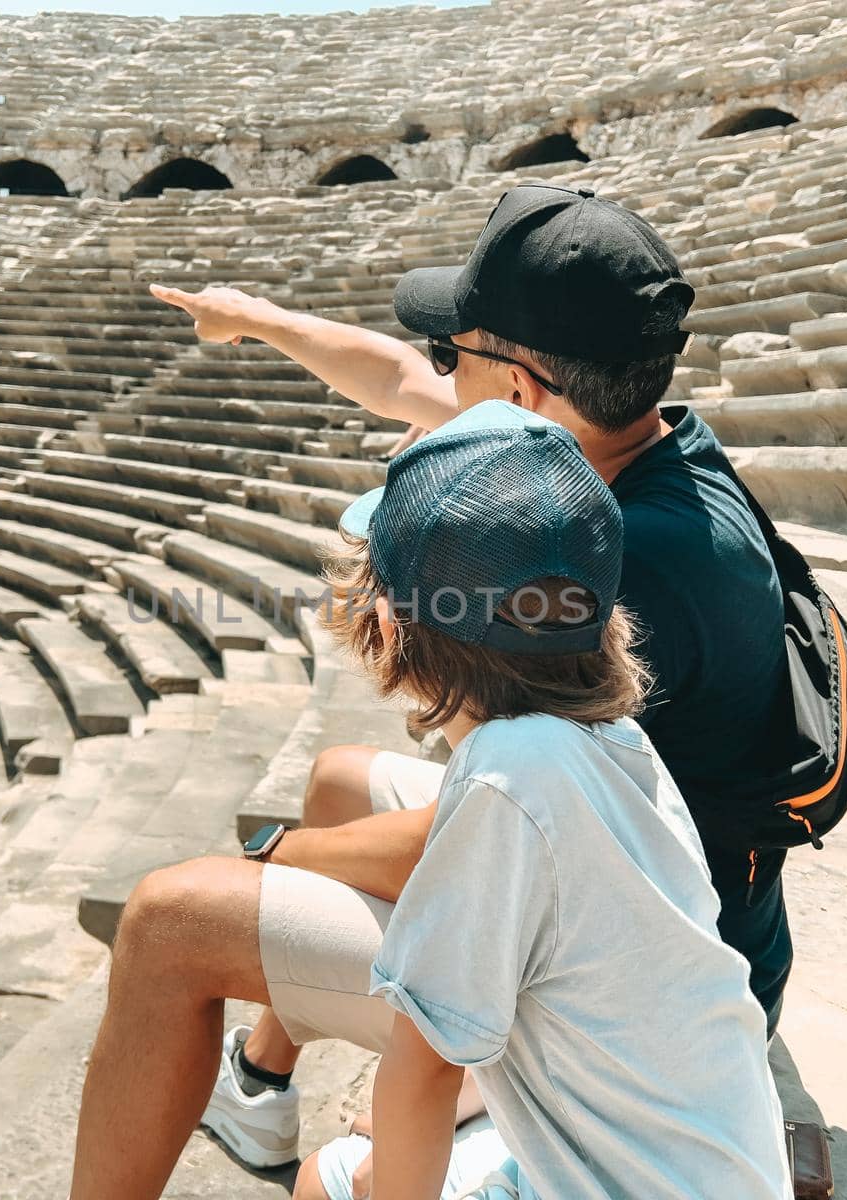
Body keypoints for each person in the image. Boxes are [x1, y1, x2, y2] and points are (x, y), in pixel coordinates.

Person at [67, 184, 791, 1195]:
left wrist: (284, 854)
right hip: (637, 915)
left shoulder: (643, 568)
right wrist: (257, 320)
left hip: (607, 956)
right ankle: (261, 1078)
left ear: (528, 394)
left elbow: (501, 829)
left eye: (462, 357)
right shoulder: (606, 466)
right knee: (338, 777)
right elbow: (401, 381)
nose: (438, 375)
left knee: (170, 918)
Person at [292, 401, 790, 1199]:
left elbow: (420, 1075)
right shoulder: (613, 739)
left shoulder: (507, 774)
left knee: (326, 1183)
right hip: (711, 1168)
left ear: (388, 625)